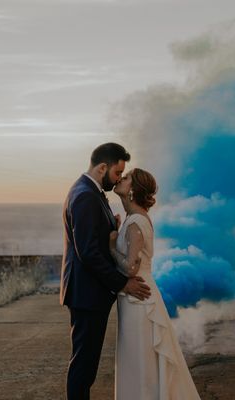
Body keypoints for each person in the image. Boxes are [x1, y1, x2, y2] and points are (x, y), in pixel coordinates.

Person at [60, 143, 152, 400]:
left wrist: (113, 225)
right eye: (116, 173)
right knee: (83, 366)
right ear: (103, 167)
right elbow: (87, 252)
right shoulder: (86, 195)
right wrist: (122, 283)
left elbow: (93, 239)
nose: (119, 178)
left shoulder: (90, 192)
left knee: (86, 365)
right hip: (86, 294)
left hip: (88, 293)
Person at [110, 168, 200, 400]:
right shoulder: (134, 219)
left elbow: (130, 268)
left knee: (139, 360)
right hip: (138, 298)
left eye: (126, 177)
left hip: (138, 300)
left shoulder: (135, 222)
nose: (121, 179)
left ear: (133, 190)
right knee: (139, 359)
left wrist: (110, 247)